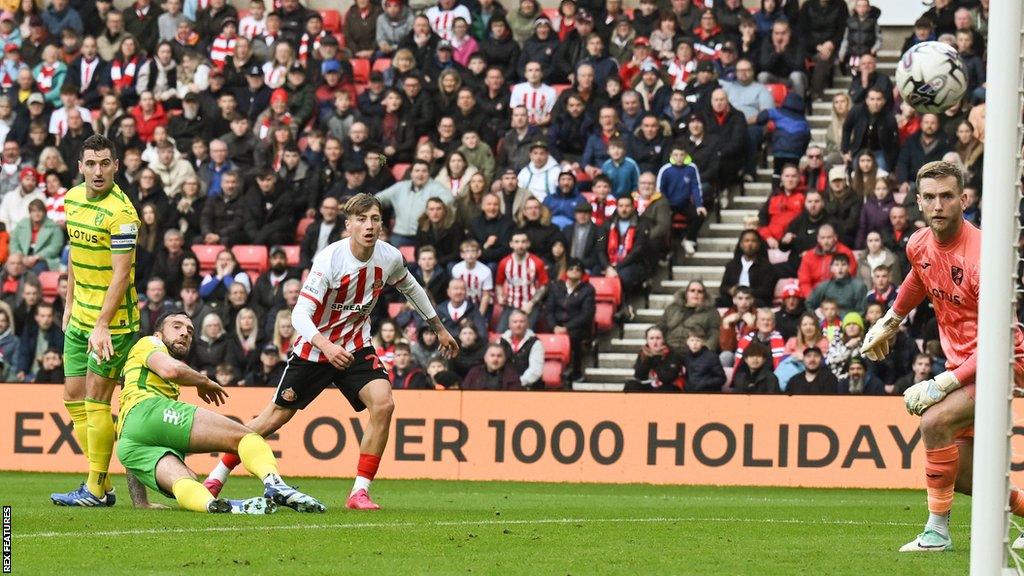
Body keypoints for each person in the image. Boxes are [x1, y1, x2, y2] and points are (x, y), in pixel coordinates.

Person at [204, 194, 458, 511]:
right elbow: (299, 315)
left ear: (382, 224)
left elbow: (410, 287)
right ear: (348, 225)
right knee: (271, 421)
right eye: (362, 219)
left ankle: (359, 493)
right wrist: (326, 345)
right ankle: (215, 477)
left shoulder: (389, 257)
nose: (369, 225)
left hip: (355, 346)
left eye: (375, 219)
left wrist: (439, 327)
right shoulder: (330, 259)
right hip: (315, 348)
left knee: (384, 404)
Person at [860, 161, 1024, 552]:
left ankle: (937, 533)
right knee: (966, 477)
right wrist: (892, 319)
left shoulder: (985, 258)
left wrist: (942, 383)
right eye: (930, 197)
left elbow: (1000, 340)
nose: (938, 204)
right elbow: (919, 275)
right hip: (963, 364)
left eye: (947, 196)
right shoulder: (918, 244)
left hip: (1005, 362)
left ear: (963, 200)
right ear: (918, 202)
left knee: (933, 421)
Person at [106, 311, 324, 513]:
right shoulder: (150, 342)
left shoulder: (141, 377)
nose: (185, 333)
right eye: (177, 326)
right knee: (247, 437)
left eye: (190, 331)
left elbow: (136, 427)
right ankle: (276, 485)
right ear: (158, 333)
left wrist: (140, 502)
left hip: (128, 440)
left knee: (188, 480)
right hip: (148, 412)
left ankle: (218, 506)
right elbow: (170, 370)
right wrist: (204, 381)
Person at [51, 135, 142, 507]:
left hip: (114, 324)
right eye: (90, 163)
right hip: (80, 318)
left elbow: (122, 275)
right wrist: (69, 303)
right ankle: (101, 488)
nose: (97, 171)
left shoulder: (123, 213)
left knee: (96, 400)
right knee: (72, 397)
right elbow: (74, 253)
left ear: (116, 166)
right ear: (80, 166)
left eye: (105, 163)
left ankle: (94, 487)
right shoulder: (71, 199)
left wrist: (102, 323)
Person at [545, 257, 595, 381]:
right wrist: (554, 326)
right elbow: (549, 310)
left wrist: (566, 328)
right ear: (566, 271)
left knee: (573, 337)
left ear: (582, 273)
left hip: (577, 327)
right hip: (556, 325)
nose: (574, 271)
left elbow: (586, 315)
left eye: (578, 269)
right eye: (571, 268)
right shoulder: (556, 287)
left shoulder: (588, 289)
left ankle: (575, 372)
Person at [624, 325, 683, 392]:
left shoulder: (673, 354)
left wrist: (656, 357)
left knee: (663, 390)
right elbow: (639, 376)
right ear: (647, 340)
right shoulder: (644, 353)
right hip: (651, 385)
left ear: (663, 339)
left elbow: (667, 379)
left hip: (668, 386)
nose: (655, 342)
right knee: (631, 385)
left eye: (658, 338)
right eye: (651, 338)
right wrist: (648, 358)